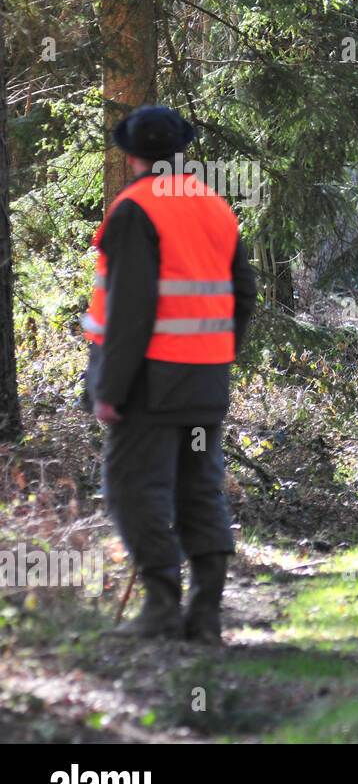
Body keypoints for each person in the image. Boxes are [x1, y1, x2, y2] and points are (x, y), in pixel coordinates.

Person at [82, 105, 257, 644]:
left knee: (133, 489)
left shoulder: (135, 209)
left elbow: (131, 308)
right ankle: (204, 615)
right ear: (182, 153)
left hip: (149, 383)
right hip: (204, 381)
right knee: (199, 490)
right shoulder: (213, 206)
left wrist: (109, 390)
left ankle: (160, 605)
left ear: (131, 154)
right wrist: (218, 356)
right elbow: (244, 294)